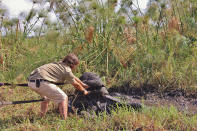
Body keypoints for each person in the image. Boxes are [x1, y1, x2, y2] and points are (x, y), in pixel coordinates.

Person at [28, 53, 89, 119]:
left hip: (31, 81)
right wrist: (84, 91)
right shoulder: (67, 70)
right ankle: (64, 120)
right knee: (63, 97)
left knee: (46, 98)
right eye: (76, 66)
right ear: (73, 65)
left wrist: (82, 84)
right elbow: (76, 85)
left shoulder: (59, 64)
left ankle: (41, 117)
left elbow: (72, 77)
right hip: (41, 82)